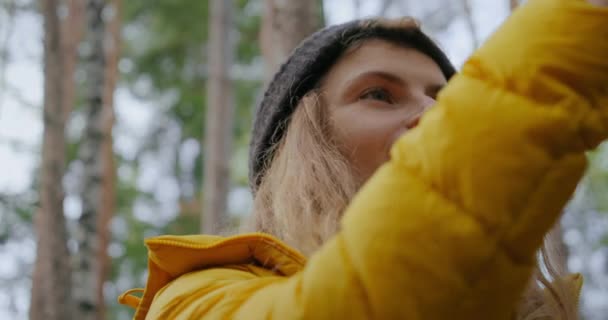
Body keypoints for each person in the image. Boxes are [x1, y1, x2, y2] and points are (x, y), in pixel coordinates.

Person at [119, 0, 608, 318]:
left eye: (447, 99)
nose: (436, 115)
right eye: (379, 94)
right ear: (304, 149)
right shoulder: (195, 298)